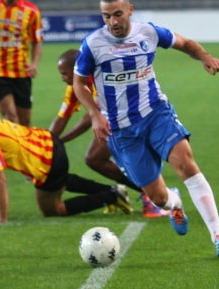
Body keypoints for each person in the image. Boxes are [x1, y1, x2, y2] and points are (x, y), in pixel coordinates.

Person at [72, 0, 219, 258]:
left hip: (155, 113)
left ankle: (218, 235)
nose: (112, 21)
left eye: (117, 14)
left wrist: (205, 56)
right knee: (159, 199)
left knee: (186, 163)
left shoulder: (148, 32)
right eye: (106, 16)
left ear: (130, 10)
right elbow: (79, 83)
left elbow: (185, 44)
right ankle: (175, 204)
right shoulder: (92, 44)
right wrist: (94, 113)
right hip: (121, 131)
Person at [0, 110, 133, 224]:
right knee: (59, 184)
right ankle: (114, 192)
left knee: (52, 210)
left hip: (47, 158)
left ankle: (112, 196)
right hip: (47, 144)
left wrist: (2, 219)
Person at [49, 49, 169, 218]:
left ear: (76, 68)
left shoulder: (100, 78)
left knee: (102, 159)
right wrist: (46, 142)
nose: (62, 78)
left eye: (64, 74)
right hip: (116, 121)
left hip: (135, 117)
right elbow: (62, 117)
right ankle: (151, 193)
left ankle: (156, 194)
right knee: (95, 159)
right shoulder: (76, 87)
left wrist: (61, 140)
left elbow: (89, 118)